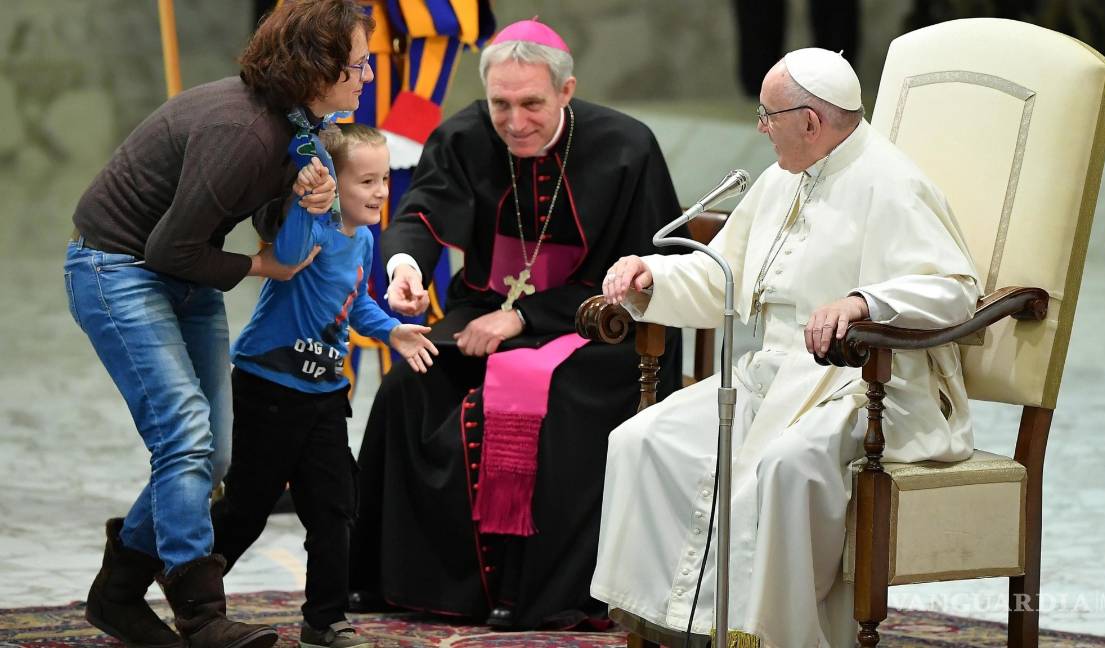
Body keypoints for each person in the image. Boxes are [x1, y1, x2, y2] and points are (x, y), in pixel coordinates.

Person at [592, 49, 981, 647]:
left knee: (785, 466)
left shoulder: (894, 183)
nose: (760, 128)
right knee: (642, 440)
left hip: (865, 388)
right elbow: (722, 277)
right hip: (771, 380)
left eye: (767, 116)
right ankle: (681, 626)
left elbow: (954, 291)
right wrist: (653, 277)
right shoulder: (781, 180)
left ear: (810, 122)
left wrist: (864, 302)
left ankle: (774, 636)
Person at [347, 18, 683, 630]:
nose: (514, 121)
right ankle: (392, 579)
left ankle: (530, 591)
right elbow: (420, 216)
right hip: (485, 313)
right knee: (405, 389)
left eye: (531, 103)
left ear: (566, 91)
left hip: (597, 328)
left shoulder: (627, 146)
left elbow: (650, 275)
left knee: (540, 405)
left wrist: (525, 315)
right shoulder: (465, 135)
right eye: (500, 104)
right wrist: (404, 268)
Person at [64, 2, 373, 646]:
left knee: (215, 453)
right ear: (317, 68)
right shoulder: (245, 129)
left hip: (184, 264)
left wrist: (300, 202)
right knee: (184, 433)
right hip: (118, 266)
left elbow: (255, 208)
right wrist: (261, 264)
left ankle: (118, 593)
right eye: (357, 65)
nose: (366, 76)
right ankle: (201, 615)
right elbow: (166, 248)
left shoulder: (300, 123)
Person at [211, 124, 437, 648]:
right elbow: (288, 256)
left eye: (384, 179)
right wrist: (308, 196)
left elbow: (356, 305)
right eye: (366, 181)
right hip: (269, 387)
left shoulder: (363, 240)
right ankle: (190, 588)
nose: (380, 191)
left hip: (325, 395)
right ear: (333, 185)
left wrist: (392, 331)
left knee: (335, 507)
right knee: (247, 506)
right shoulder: (311, 229)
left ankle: (324, 619)